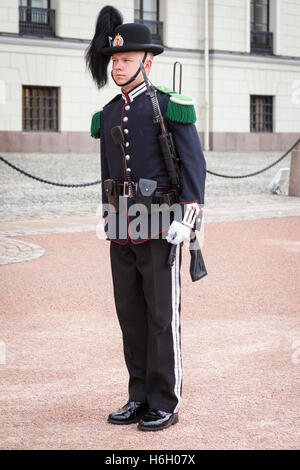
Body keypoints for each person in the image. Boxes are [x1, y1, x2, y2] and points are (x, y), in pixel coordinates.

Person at [86, 5, 206, 432]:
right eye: (115, 60)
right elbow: (109, 170)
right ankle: (138, 396)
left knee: (161, 317)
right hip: (122, 226)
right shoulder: (108, 113)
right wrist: (105, 212)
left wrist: (189, 216)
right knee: (130, 315)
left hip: (161, 225)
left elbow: (194, 164)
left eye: (127, 60)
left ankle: (164, 401)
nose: (118, 67)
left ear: (147, 62)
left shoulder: (170, 106)